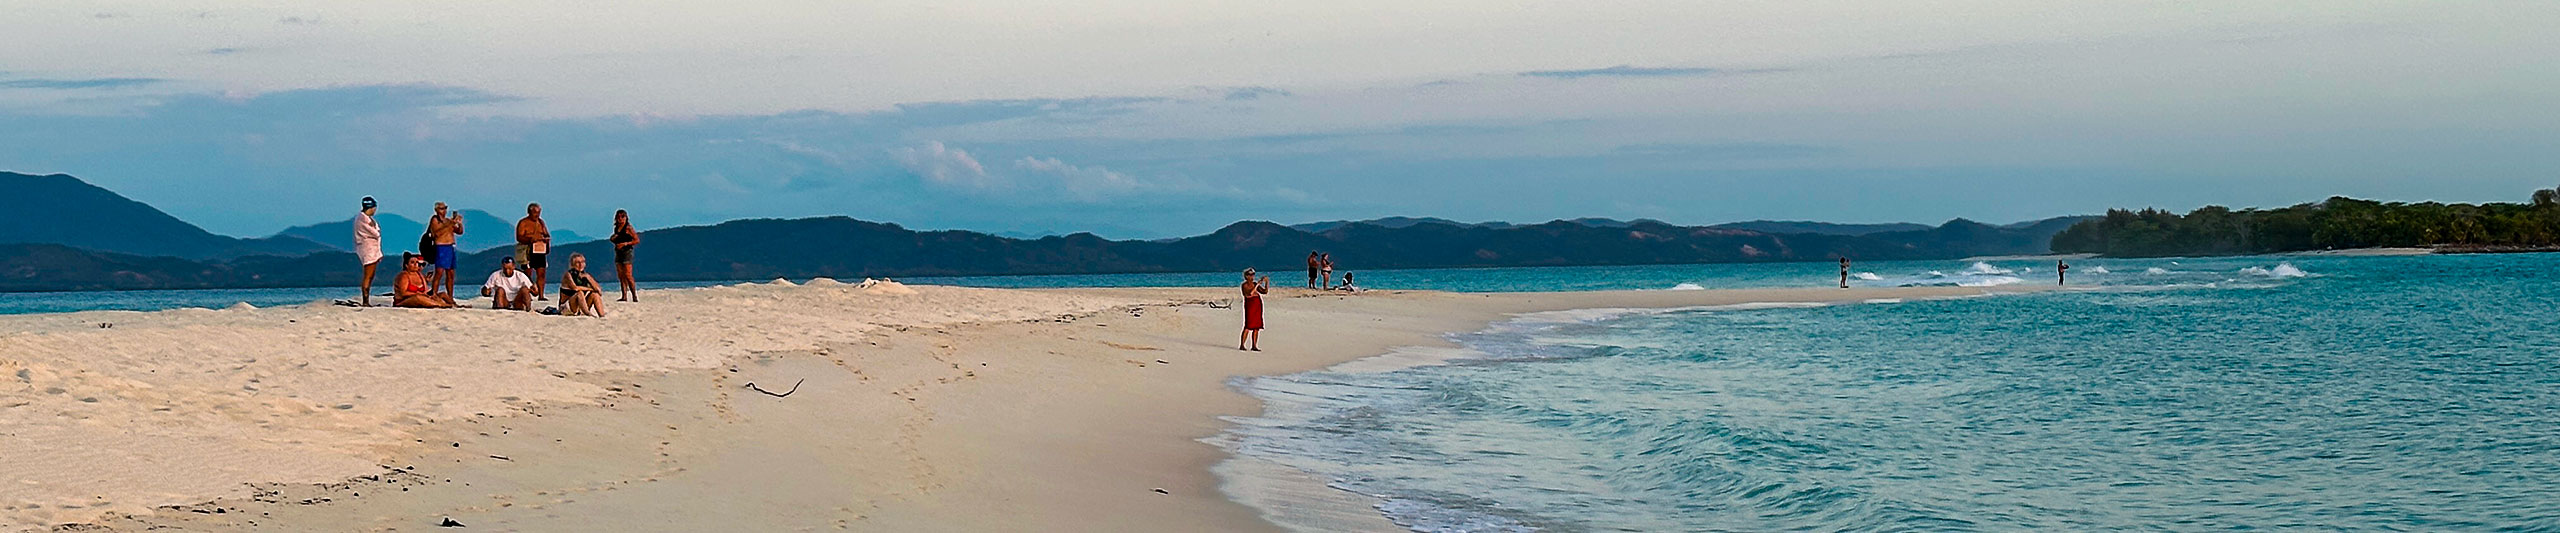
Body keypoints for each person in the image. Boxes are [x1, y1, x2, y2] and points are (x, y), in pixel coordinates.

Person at [427, 202, 465, 297]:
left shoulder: (448, 221)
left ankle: (450, 296)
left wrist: (459, 224)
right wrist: (450, 224)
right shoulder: (435, 220)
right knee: (439, 272)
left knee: (451, 273)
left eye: (445, 208)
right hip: (441, 247)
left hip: (451, 247)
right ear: (436, 210)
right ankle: (434, 294)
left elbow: (459, 232)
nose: (444, 211)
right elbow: (437, 232)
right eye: (441, 208)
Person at [515, 203, 552, 301]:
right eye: (535, 212)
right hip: (527, 250)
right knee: (527, 273)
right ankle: (528, 294)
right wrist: (531, 239)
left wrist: (546, 240)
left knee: (541, 272)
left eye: (539, 212)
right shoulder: (523, 223)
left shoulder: (541, 222)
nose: (537, 215)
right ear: (529, 212)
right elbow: (519, 237)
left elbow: (546, 234)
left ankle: (541, 295)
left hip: (539, 250)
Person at [354, 197, 383, 306]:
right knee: (368, 275)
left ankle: (366, 299)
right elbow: (375, 233)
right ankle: (365, 301)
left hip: (372, 248)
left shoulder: (366, 218)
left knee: (371, 275)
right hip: (368, 248)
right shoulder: (363, 219)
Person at [559, 253, 608, 317]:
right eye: (577, 263)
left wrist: (588, 277)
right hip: (566, 307)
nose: (580, 265)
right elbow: (575, 288)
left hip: (579, 306)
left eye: (582, 262)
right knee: (580, 293)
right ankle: (587, 314)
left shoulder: (586, 275)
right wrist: (590, 289)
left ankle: (602, 315)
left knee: (595, 294)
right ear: (573, 264)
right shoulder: (568, 275)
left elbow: (599, 291)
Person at [610, 210, 641, 302]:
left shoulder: (628, 228)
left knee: (628, 274)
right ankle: (624, 296)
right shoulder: (617, 228)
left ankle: (634, 296)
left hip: (627, 252)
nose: (620, 219)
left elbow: (636, 240)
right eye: (619, 217)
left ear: (626, 217)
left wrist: (625, 244)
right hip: (618, 251)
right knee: (621, 275)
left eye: (622, 217)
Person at [1239, 268, 1269, 351]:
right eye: (1250, 275)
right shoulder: (1244, 285)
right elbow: (1249, 294)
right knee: (1248, 325)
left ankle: (1254, 345)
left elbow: (1265, 291)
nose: (1252, 277)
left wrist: (1266, 282)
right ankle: (1242, 344)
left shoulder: (1255, 284)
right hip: (1250, 305)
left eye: (1252, 275)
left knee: (1257, 326)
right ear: (1246, 276)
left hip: (1257, 305)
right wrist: (1257, 285)